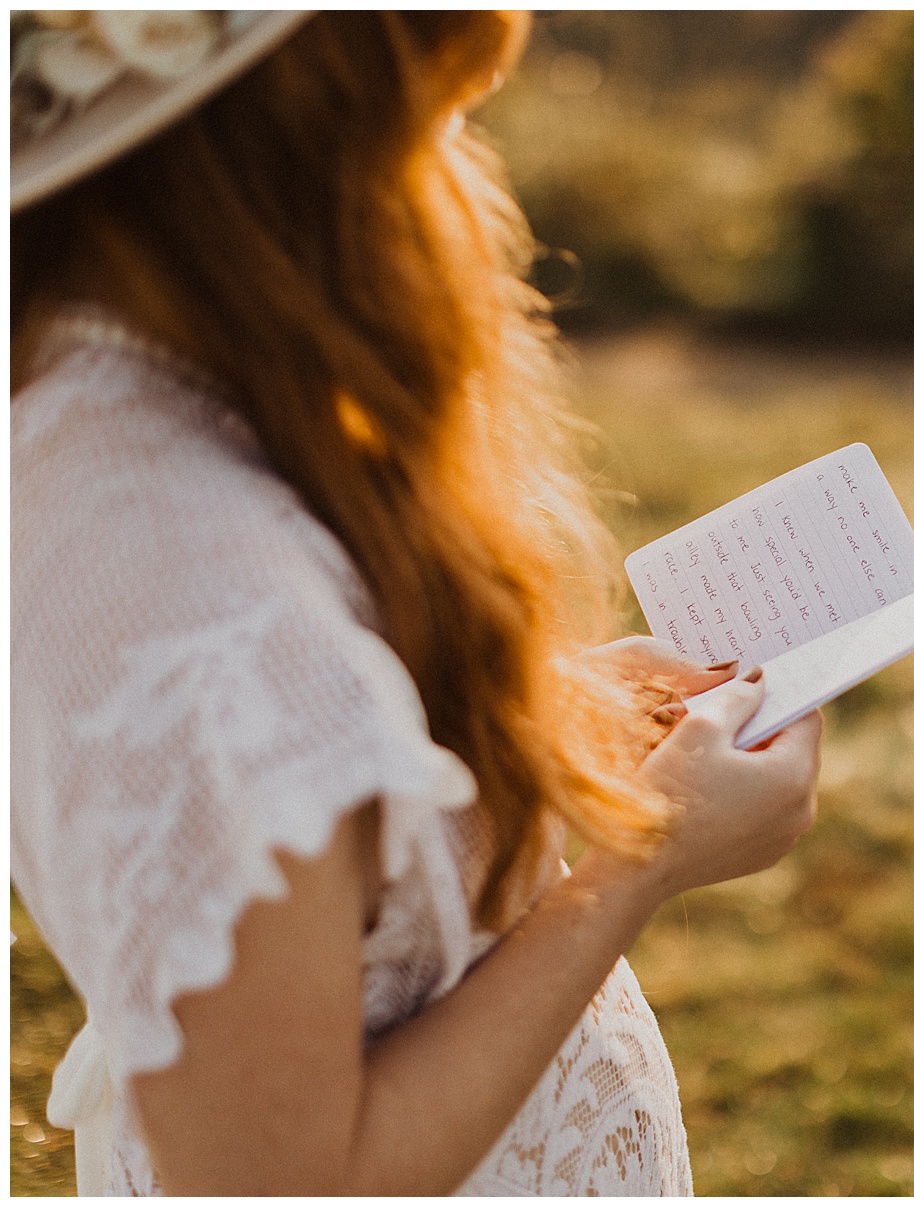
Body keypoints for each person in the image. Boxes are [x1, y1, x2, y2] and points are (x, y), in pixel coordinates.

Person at [11, 11, 823, 1195]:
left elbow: (285, 770)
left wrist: (529, 714)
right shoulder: (171, 568)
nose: (449, 159)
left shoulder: (164, 390)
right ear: (291, 119)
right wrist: (639, 861)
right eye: (428, 111)